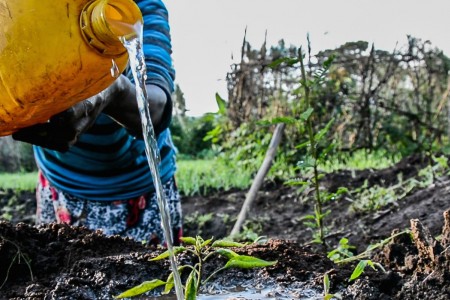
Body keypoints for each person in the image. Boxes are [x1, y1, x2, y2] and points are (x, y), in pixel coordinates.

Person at [12, 0, 180, 246]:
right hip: (60, 185)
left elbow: (155, 106)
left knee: (155, 281)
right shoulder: (28, 8)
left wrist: (112, 88)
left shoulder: (135, 8)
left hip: (140, 190)